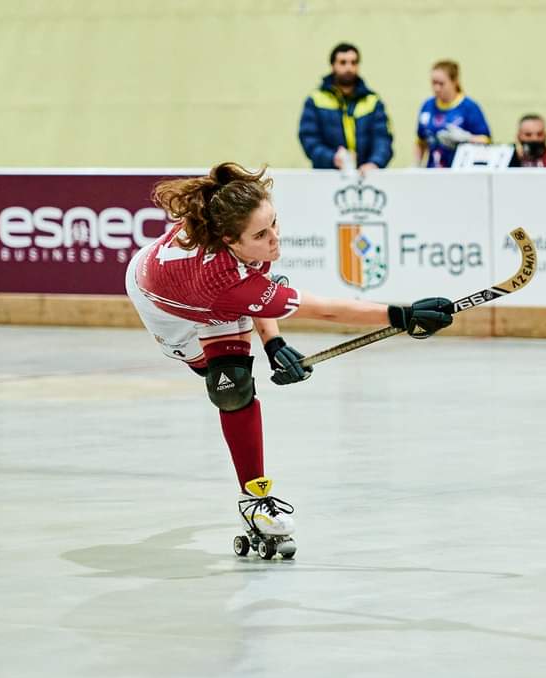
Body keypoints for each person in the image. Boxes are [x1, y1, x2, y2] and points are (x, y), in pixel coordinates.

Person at [125, 162, 452, 560]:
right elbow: (320, 310)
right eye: (262, 235)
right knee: (218, 380)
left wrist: (273, 342)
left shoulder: (238, 237)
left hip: (223, 294)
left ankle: (254, 499)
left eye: (274, 224)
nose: (275, 239)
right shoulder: (217, 277)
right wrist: (400, 316)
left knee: (234, 389)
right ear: (229, 239)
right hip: (168, 308)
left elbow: (250, 285)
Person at [298, 43, 393, 174]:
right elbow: (309, 139)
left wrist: (375, 163)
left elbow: (383, 138)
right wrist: (332, 158)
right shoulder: (315, 100)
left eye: (353, 62)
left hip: (367, 178)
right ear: (333, 66)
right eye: (343, 62)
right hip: (327, 176)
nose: (349, 67)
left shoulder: (373, 101)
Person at [416, 60, 491, 168]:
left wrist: (466, 138)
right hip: (433, 171)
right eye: (434, 83)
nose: (437, 88)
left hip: (460, 171)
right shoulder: (427, 106)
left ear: (454, 81)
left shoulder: (468, 107)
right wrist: (416, 166)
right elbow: (420, 141)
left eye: (441, 84)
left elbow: (486, 140)